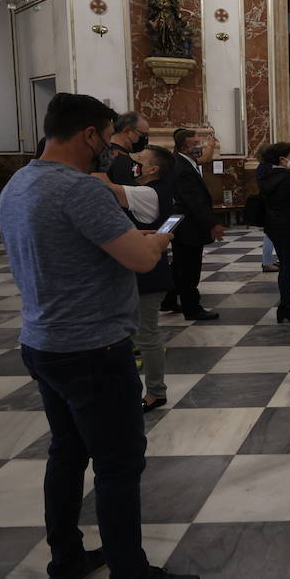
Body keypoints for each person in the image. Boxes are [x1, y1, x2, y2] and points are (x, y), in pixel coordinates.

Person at [0, 92, 200, 579]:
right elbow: (136, 257)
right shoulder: (78, 190)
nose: (110, 150)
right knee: (118, 465)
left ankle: (65, 563)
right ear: (89, 134)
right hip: (93, 346)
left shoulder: (19, 182)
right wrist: (157, 241)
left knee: (66, 454)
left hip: (42, 340)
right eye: (108, 138)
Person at [93, 144, 179, 412]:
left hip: (147, 274)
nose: (131, 162)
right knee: (134, 334)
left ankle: (155, 391)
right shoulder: (152, 190)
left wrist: (97, 163)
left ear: (152, 169)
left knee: (147, 335)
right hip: (141, 270)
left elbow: (105, 188)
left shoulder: (146, 192)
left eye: (138, 159)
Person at [167, 127, 224, 321]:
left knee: (179, 266)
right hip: (188, 225)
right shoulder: (182, 167)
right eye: (195, 142)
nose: (199, 145)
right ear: (184, 146)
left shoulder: (184, 161)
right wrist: (213, 224)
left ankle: (168, 300)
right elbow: (194, 201)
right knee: (189, 269)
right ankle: (192, 309)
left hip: (184, 224)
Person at [257, 142, 290, 323]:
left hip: (273, 225)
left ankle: (285, 305)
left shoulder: (265, 175)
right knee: (289, 268)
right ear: (282, 159)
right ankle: (286, 306)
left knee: (284, 266)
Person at [103, 111, 150, 184]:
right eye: (143, 134)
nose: (144, 139)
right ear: (127, 131)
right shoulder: (120, 158)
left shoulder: (103, 151)